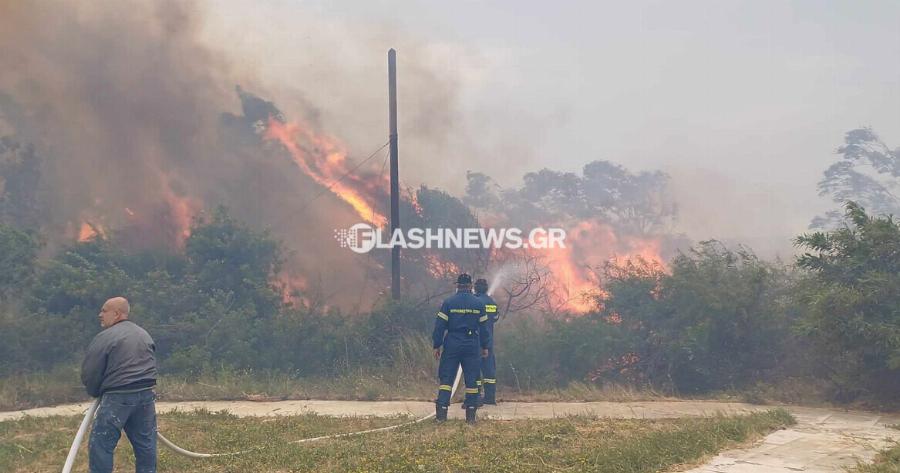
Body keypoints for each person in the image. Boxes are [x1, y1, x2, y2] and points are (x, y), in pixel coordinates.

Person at [81, 297, 159, 473]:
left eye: (104, 310)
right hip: (146, 395)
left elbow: (90, 371)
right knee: (146, 445)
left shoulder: (106, 337)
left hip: (118, 397)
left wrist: (94, 391)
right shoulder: (143, 334)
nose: (99, 315)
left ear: (116, 314)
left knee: (101, 445)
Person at [432, 273, 490, 424]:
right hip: (472, 344)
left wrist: (436, 345)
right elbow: (484, 329)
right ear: (471, 286)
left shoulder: (449, 302)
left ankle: (441, 415)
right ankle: (471, 416)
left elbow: (439, 326)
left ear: (457, 285)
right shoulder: (478, 304)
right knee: (472, 380)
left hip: (452, 343)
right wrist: (485, 346)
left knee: (446, 378)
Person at [474, 278, 500, 404]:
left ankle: (476, 397)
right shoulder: (492, 303)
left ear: (475, 288)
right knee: (489, 370)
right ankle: (490, 398)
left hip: (474, 341)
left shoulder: (474, 301)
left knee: (474, 369)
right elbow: (495, 318)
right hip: (488, 342)